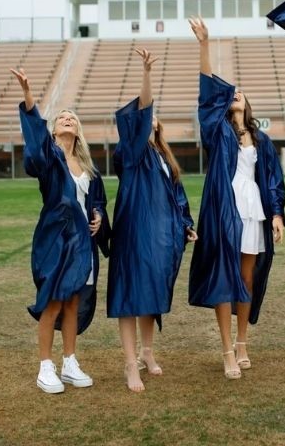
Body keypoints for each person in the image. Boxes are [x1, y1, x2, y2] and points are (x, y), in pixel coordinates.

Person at [188, 18, 285, 379]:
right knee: (224, 280)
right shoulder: (217, 132)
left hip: (253, 212)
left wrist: (276, 215)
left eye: (239, 92)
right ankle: (227, 350)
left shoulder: (261, 140)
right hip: (224, 211)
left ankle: (242, 341)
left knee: (246, 279)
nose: (235, 94)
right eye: (230, 93)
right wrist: (204, 46)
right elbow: (206, 94)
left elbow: (273, 181)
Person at [11, 68, 110, 395]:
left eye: (72, 117)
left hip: (83, 244)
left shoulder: (90, 168)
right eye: (62, 117)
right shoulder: (49, 158)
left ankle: (69, 362)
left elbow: (96, 200)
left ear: (78, 130)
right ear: (53, 130)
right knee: (53, 300)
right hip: (56, 239)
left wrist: (97, 215)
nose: (67, 118)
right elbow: (34, 143)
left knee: (72, 302)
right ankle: (45, 367)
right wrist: (29, 97)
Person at [107, 48, 197, 392]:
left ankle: (147, 352)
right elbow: (143, 108)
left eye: (155, 118)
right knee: (130, 294)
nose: (151, 120)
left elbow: (178, 196)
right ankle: (130, 364)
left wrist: (186, 224)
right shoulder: (130, 154)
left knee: (151, 293)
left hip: (160, 236)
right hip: (134, 232)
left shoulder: (164, 159)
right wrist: (146, 73)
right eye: (147, 117)